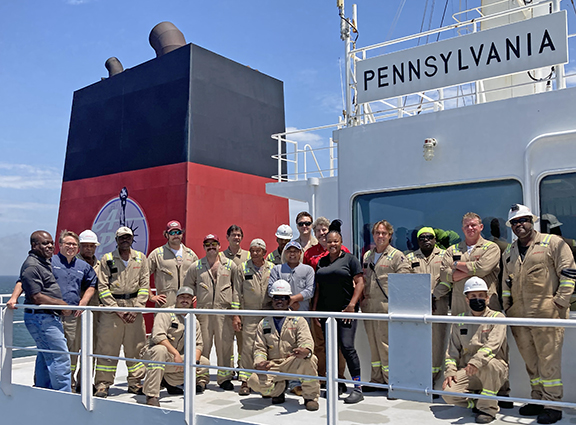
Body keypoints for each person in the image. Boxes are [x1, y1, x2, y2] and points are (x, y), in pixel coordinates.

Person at [501, 204, 575, 424]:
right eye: (514, 222)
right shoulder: (509, 251)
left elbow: (569, 272)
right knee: (530, 362)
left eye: (522, 220)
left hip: (547, 314)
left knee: (548, 360)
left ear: (532, 220)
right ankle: (538, 399)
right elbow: (506, 282)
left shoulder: (553, 243)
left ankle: (553, 404)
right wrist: (508, 305)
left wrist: (559, 303)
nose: (518, 225)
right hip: (519, 315)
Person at [443, 277, 508, 424]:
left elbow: (493, 346)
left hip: (494, 370)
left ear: (487, 298)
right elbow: (452, 351)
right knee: (448, 393)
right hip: (468, 371)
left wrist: (476, 362)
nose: (477, 299)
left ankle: (487, 409)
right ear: (467, 299)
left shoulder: (497, 317)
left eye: (480, 296)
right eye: (473, 296)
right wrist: (450, 371)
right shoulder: (460, 320)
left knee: (489, 365)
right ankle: (476, 402)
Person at [94, 226, 150, 398]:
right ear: (116, 240)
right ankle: (103, 385)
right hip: (112, 311)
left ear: (133, 239)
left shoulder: (141, 258)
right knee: (107, 348)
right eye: (121, 237)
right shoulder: (107, 259)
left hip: (134, 308)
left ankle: (135, 383)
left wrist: (136, 309)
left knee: (136, 347)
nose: (125, 240)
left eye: (128, 237)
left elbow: (144, 286)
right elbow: (102, 287)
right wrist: (117, 310)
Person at [248, 279, 320, 411]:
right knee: (253, 381)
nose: (279, 301)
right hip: (273, 365)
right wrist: (260, 362)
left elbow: (306, 340)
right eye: (276, 298)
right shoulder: (264, 323)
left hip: (293, 362)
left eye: (283, 298)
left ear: (288, 301)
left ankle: (310, 397)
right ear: (272, 300)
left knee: (310, 359)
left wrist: (306, 351)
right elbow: (259, 348)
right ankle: (278, 391)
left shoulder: (299, 321)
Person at [314, 221, 365, 404]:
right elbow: (319, 289)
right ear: (325, 244)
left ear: (340, 242)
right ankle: (335, 384)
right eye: (329, 242)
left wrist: (352, 305)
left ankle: (357, 388)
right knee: (330, 350)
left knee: (347, 347)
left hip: (345, 312)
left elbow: (360, 283)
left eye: (336, 241)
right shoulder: (322, 261)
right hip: (325, 314)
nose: (332, 244)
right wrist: (315, 313)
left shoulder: (350, 259)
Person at [183, 233, 238, 391]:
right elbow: (187, 289)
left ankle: (225, 377)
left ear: (219, 246)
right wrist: (187, 312)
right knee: (203, 346)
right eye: (208, 244)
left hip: (224, 312)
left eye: (214, 243)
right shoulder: (196, 267)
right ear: (204, 247)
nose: (211, 246)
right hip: (203, 313)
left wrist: (235, 314)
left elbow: (236, 291)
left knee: (225, 346)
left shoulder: (230, 265)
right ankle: (201, 378)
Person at [19, 230, 72, 391]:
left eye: (51, 242)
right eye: (44, 243)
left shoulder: (43, 261)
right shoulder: (32, 266)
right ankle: (63, 397)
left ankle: (43, 392)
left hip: (46, 317)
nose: (50, 246)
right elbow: (36, 296)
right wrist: (61, 304)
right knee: (60, 358)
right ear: (34, 246)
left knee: (45, 356)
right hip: (42, 319)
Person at [361, 219, 410, 392]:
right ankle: (377, 380)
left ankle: (392, 383)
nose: (380, 236)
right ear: (373, 235)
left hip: (386, 307)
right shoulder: (367, 255)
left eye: (384, 233)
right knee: (373, 345)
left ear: (390, 235)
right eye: (377, 233)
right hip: (369, 307)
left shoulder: (397, 256)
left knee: (386, 346)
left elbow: (405, 280)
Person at [142, 286, 210, 406]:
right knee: (160, 350)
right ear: (177, 298)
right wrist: (175, 353)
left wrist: (194, 363)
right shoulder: (165, 313)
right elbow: (158, 337)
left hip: (174, 360)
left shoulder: (193, 320)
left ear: (192, 301)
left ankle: (167, 381)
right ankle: (152, 395)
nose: (185, 300)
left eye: (188, 298)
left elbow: (198, 344)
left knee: (204, 363)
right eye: (182, 297)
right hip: (155, 355)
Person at [303, 216, 350, 389]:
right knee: (320, 344)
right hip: (317, 302)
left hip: (338, 303)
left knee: (339, 344)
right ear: (314, 234)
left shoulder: (343, 250)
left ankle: (339, 377)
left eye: (325, 229)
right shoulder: (309, 253)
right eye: (318, 231)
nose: (322, 233)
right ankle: (322, 377)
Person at [53, 230, 97, 392]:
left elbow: (92, 284)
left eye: (74, 244)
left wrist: (83, 302)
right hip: (51, 316)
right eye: (68, 244)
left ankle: (69, 383)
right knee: (49, 349)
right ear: (60, 245)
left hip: (72, 316)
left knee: (71, 350)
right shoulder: (50, 262)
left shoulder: (83, 267)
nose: (71, 247)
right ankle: (47, 381)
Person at [231, 238, 274, 396]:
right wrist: (236, 315)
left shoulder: (272, 268)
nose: (255, 253)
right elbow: (236, 292)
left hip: (268, 314)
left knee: (268, 346)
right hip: (249, 314)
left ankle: (267, 381)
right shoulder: (242, 268)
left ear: (264, 252)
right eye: (252, 250)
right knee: (247, 348)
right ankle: (245, 381)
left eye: (258, 250)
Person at [407, 227, 448, 386]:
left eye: (429, 237)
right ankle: (419, 378)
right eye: (422, 238)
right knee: (417, 343)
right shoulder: (409, 257)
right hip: (417, 307)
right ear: (418, 241)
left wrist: (433, 296)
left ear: (435, 239)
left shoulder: (445, 256)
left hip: (439, 306)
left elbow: (447, 280)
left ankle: (433, 381)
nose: (426, 240)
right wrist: (423, 299)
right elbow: (407, 280)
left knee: (437, 343)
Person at [440, 212, 501, 316]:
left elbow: (482, 269)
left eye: (473, 225)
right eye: (466, 226)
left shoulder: (491, 247)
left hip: (486, 303)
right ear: (463, 229)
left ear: (481, 227)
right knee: (460, 331)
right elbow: (444, 275)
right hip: (459, 305)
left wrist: (456, 265)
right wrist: (474, 270)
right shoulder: (452, 250)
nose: (470, 228)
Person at [148, 220, 198, 308]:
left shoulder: (191, 254)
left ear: (182, 234)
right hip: (165, 306)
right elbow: (142, 276)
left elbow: (200, 277)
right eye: (172, 232)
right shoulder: (157, 254)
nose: (176, 235)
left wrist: (197, 293)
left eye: (178, 232)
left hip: (186, 307)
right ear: (166, 235)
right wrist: (151, 296)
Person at [222, 224, 249, 372]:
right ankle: (228, 369)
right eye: (233, 235)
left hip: (242, 305)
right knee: (226, 341)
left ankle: (242, 368)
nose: (236, 237)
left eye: (239, 235)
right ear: (227, 237)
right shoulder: (220, 257)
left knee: (242, 341)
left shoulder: (248, 256)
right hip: (225, 305)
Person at [269, 241, 315, 313]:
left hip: (302, 312)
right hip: (281, 312)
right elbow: (270, 290)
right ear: (285, 253)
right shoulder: (276, 269)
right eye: (289, 251)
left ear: (300, 253)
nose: (292, 254)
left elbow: (310, 291)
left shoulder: (308, 270)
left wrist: (293, 299)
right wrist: (286, 301)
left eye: (295, 251)